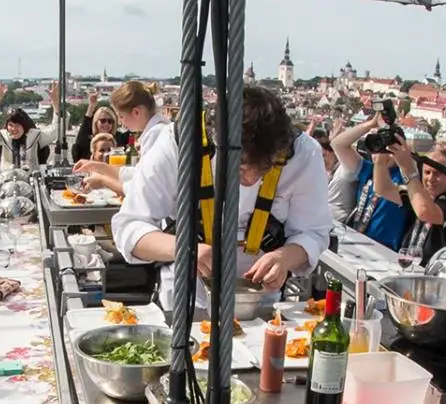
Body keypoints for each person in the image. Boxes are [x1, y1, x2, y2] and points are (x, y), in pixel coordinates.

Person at [108, 84, 332, 313]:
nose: (251, 179)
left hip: (262, 303)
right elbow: (129, 226)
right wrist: (185, 249)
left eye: (264, 168)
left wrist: (285, 258)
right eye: (241, 167)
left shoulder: (303, 153)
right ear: (219, 145)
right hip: (186, 299)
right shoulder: (180, 142)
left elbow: (313, 232)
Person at [0, 80, 62, 168]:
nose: (14, 129)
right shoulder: (1, 138)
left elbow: (56, 128)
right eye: (11, 125)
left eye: (17, 125)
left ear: (24, 126)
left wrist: (55, 102)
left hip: (31, 179)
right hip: (7, 178)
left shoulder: (35, 137)